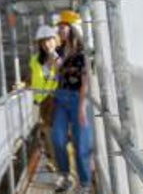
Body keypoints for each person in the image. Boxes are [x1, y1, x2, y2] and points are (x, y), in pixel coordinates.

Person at [52, 10, 92, 193]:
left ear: (72, 28)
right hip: (61, 97)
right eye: (59, 27)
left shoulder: (83, 52)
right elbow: (55, 70)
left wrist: (82, 107)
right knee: (57, 138)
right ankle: (66, 176)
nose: (60, 30)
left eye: (63, 27)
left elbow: (85, 80)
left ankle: (84, 184)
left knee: (81, 143)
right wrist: (54, 60)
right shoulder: (60, 50)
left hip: (77, 99)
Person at [30, 24, 60, 168]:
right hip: (41, 102)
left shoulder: (61, 59)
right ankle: (54, 161)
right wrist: (23, 84)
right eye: (43, 42)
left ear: (55, 40)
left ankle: (62, 165)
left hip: (56, 100)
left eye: (49, 40)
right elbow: (32, 78)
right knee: (46, 133)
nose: (47, 45)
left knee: (57, 134)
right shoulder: (35, 60)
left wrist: (56, 61)